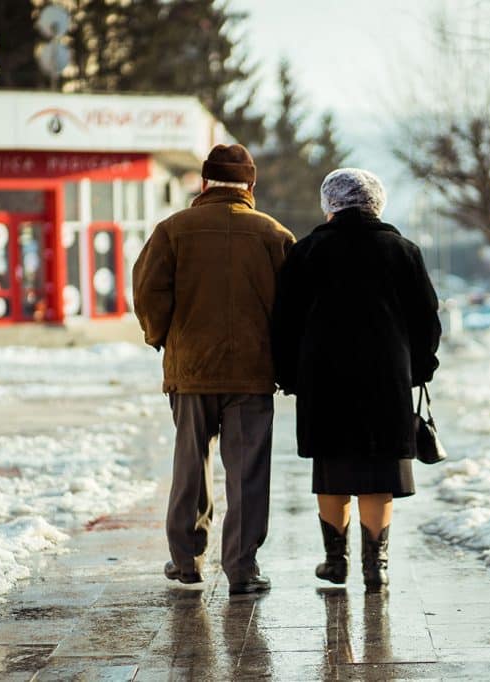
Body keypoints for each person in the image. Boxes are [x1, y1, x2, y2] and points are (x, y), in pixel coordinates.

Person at [132, 144, 295, 595]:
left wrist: (163, 337)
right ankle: (241, 568)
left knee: (190, 462)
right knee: (247, 472)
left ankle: (186, 560)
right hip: (252, 373)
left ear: (203, 183)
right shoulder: (274, 234)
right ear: (251, 185)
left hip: (192, 371)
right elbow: (293, 307)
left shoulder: (172, 230)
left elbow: (147, 292)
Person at [271, 168, 442, 591]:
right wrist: (420, 368)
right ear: (376, 202)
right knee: (380, 470)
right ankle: (376, 566)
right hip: (386, 380)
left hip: (324, 381)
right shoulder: (402, 250)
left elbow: (283, 323)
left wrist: (290, 376)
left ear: (330, 204)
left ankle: (336, 562)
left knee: (332, 469)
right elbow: (426, 320)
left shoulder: (307, 251)